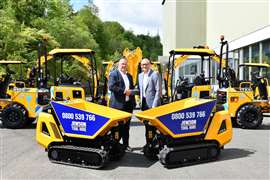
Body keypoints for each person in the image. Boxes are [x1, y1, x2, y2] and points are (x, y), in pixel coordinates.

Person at [108, 57, 136, 151]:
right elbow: (111, 86)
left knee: (126, 127)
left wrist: (133, 101)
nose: (124, 65)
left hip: (128, 105)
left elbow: (131, 89)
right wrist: (124, 91)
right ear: (118, 65)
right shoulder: (113, 74)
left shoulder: (129, 76)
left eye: (125, 64)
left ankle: (125, 145)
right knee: (117, 127)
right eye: (122, 64)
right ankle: (115, 145)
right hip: (117, 105)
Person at [138, 58, 162, 144]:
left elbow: (158, 91)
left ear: (150, 65)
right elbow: (140, 90)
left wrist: (154, 106)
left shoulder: (155, 74)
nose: (144, 66)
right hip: (144, 104)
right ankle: (148, 144)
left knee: (153, 127)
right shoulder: (140, 75)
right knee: (146, 126)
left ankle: (154, 145)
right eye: (142, 64)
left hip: (153, 105)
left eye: (146, 64)